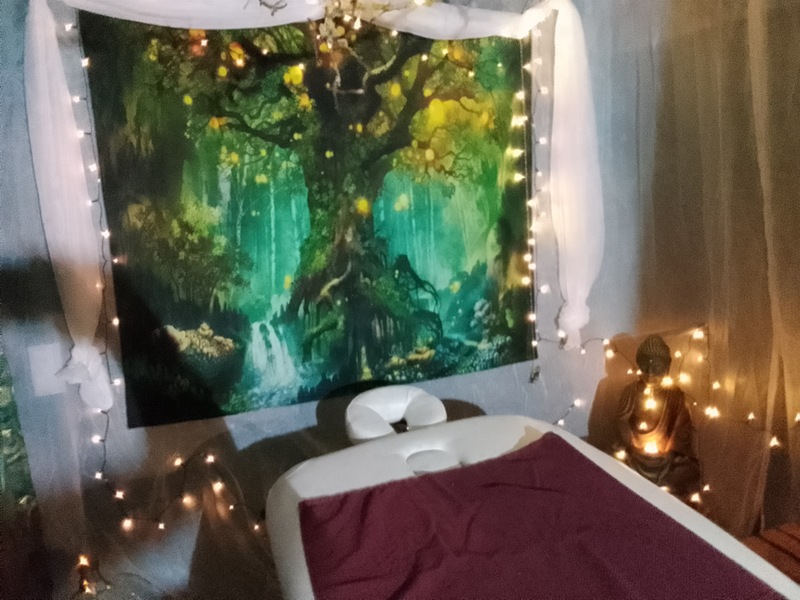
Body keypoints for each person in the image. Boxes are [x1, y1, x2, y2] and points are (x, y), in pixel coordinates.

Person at [616, 335, 702, 498]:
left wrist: (669, 451)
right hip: (635, 455)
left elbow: (681, 429)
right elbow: (622, 421)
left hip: (666, 458)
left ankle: (659, 489)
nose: (650, 373)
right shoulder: (631, 391)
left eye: (656, 367)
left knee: (689, 472)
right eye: (645, 366)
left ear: (667, 366)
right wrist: (633, 446)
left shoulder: (675, 395)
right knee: (613, 463)